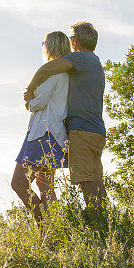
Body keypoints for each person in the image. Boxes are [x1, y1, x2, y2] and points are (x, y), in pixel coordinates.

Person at [23, 21, 107, 213]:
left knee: (86, 179)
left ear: (76, 40)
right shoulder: (95, 62)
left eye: (71, 38)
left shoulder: (82, 58)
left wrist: (29, 91)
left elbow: (47, 68)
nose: (70, 42)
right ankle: (103, 221)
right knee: (95, 179)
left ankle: (96, 223)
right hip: (96, 130)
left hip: (82, 129)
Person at [11, 31, 71, 227]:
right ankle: (53, 232)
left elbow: (39, 102)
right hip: (53, 134)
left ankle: (44, 223)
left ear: (51, 46)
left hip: (42, 134)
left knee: (19, 183)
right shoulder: (64, 73)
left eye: (45, 42)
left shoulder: (55, 72)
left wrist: (28, 101)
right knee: (45, 186)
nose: (43, 45)